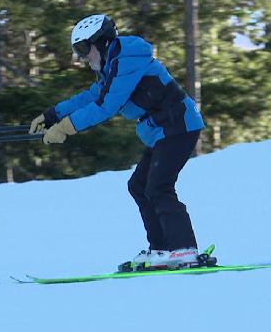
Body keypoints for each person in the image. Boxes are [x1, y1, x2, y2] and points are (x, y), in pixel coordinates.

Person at [29, 14, 205, 270]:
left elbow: (107, 105)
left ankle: (184, 250)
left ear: (100, 42)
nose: (82, 57)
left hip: (179, 126)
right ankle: (161, 250)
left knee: (158, 187)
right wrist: (53, 115)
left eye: (83, 49)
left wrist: (66, 127)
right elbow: (94, 95)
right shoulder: (113, 63)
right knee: (139, 185)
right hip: (162, 130)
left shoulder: (128, 60)